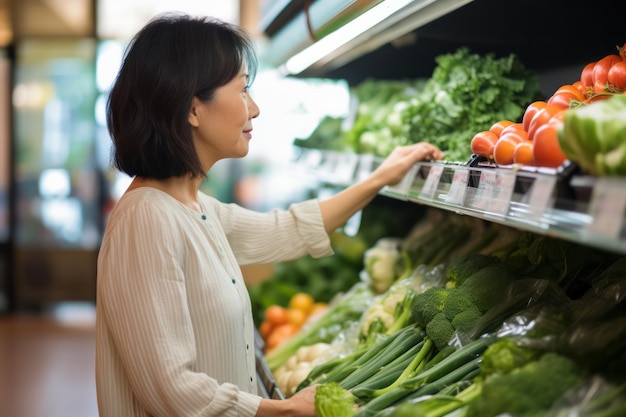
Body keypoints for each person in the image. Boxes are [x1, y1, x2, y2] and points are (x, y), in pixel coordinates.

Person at [95, 12, 444, 417]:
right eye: (243, 90)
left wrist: (381, 177)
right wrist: (286, 410)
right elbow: (171, 389)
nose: (255, 109)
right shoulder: (146, 221)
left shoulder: (194, 207)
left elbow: (287, 230)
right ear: (192, 108)